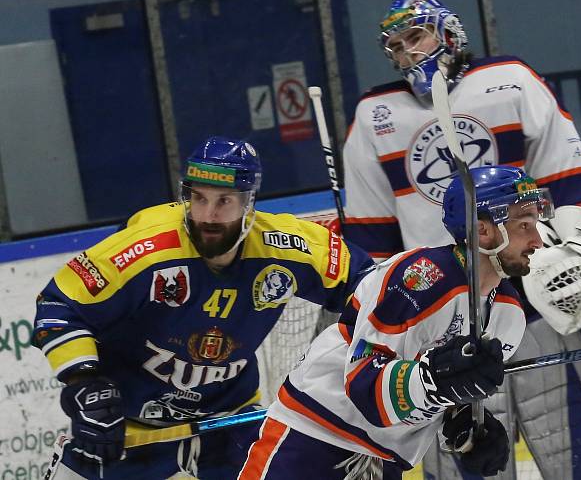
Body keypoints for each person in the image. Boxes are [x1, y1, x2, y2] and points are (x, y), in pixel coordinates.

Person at [341, 0, 581, 478]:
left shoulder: (510, 81)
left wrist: (580, 261)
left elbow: (574, 183)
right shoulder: (375, 115)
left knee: (580, 450)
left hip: (536, 300)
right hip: (441, 325)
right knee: (468, 458)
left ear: (450, 34)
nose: (407, 54)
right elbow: (373, 243)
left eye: (416, 38)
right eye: (395, 46)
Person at [32, 136, 374, 479]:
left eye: (223, 201)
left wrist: (382, 349)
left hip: (229, 423)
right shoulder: (148, 247)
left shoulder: (283, 245)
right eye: (199, 198)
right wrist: (85, 383)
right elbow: (59, 304)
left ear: (249, 204)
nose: (208, 215)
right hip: (126, 428)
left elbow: (371, 284)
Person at [238, 165, 552, 479]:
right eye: (525, 225)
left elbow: (439, 395)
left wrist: (466, 422)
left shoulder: (508, 316)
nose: (537, 240)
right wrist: (433, 380)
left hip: (385, 462)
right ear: (482, 230)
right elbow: (365, 388)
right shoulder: (418, 278)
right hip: (312, 440)